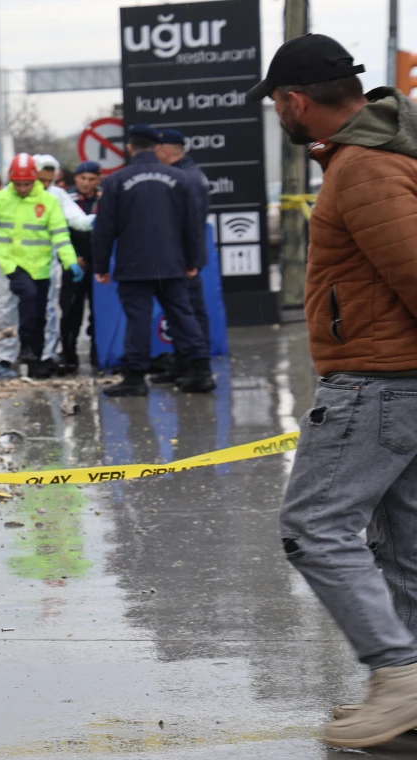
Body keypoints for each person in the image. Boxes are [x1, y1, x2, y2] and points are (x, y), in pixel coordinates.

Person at [254, 34, 417, 749]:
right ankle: (409, 693)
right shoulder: (374, 156)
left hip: (377, 383)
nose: (277, 116)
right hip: (399, 380)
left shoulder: (363, 168)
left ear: (295, 101)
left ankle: (399, 675)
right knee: (404, 548)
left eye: (275, 104)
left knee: (313, 527)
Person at [91, 125, 212, 397]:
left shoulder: (116, 181)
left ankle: (135, 378)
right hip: (171, 263)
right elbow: (192, 224)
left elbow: (104, 228)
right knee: (182, 315)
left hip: (134, 265)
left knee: (138, 320)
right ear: (156, 148)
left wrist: (100, 266)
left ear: (130, 148)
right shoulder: (179, 178)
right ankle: (201, 371)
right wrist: (192, 260)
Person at [0, 154, 82, 378]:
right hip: (11, 264)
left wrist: (70, 261)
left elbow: (60, 235)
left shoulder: (48, 201)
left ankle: (39, 358)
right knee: (7, 311)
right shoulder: (0, 199)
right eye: (18, 184)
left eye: (27, 184)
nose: (23, 188)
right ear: (11, 180)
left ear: (34, 179)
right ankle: (6, 358)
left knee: (41, 314)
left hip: (40, 266)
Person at [150, 128, 214, 386]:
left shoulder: (187, 178)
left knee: (191, 313)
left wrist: (190, 261)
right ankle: (182, 363)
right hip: (180, 257)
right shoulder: (185, 174)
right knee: (180, 313)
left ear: (166, 151)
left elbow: (192, 224)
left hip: (185, 259)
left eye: (157, 150)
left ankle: (197, 368)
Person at [35, 154, 95, 378]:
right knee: (65, 312)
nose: (45, 184)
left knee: (53, 311)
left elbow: (75, 223)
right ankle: (60, 354)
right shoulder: (16, 195)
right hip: (53, 262)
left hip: (76, 263)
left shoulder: (58, 196)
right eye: (83, 178)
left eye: (49, 179)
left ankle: (51, 356)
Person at [60, 161, 102, 374]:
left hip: (99, 263)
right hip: (73, 263)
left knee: (99, 311)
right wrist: (73, 256)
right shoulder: (66, 199)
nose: (86, 183)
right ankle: (68, 355)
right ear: (75, 179)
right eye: (82, 178)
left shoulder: (104, 199)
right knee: (71, 311)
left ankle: (98, 352)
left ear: (98, 180)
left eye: (91, 179)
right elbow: (60, 230)